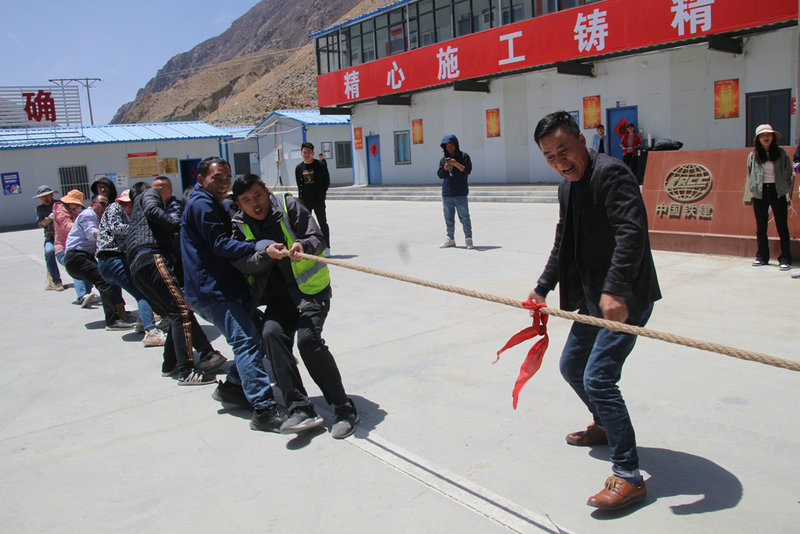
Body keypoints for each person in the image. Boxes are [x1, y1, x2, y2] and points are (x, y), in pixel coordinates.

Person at [529, 111, 661, 511]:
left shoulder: (612, 174)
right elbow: (562, 242)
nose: (560, 161)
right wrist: (541, 287)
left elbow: (631, 233)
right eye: (550, 156)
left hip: (625, 299)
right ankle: (604, 424)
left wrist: (617, 289)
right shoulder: (567, 188)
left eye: (564, 150)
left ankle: (629, 476)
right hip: (593, 298)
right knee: (572, 367)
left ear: (582, 141)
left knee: (599, 378)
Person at [229, 173, 358, 439]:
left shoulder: (289, 205)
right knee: (271, 335)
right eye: (246, 200)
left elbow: (317, 237)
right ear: (239, 204)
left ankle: (344, 407)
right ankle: (300, 408)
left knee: (308, 342)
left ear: (266, 190)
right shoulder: (239, 225)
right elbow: (241, 262)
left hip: (311, 292)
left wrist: (302, 244)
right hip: (279, 299)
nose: (255, 204)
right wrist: (265, 255)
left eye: (258, 195)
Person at [181, 159, 287, 433]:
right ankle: (264, 410)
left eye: (227, 177)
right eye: (217, 177)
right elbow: (219, 244)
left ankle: (233, 388)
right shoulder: (202, 204)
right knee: (247, 341)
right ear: (201, 179)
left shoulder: (213, 203)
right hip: (211, 291)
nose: (223, 182)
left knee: (259, 332)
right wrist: (257, 246)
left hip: (222, 288)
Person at [127, 180, 226, 384]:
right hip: (152, 257)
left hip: (138, 267)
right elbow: (154, 211)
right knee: (181, 311)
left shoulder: (135, 218)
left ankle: (170, 364)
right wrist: (181, 227)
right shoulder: (149, 194)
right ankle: (186, 370)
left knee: (175, 312)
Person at [96, 188, 166, 346]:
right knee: (142, 293)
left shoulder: (125, 215)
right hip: (112, 259)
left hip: (112, 261)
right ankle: (151, 332)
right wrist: (139, 228)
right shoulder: (115, 208)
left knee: (140, 289)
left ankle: (142, 321)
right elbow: (116, 228)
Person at [64, 194, 135, 331]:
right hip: (77, 257)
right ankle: (112, 321)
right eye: (102, 204)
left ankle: (118, 312)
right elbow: (92, 233)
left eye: (107, 204)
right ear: (93, 204)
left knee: (109, 280)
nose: (105, 207)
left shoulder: (98, 217)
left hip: (83, 257)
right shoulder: (88, 215)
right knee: (104, 283)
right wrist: (109, 235)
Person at [744, 124, 794, 271]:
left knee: (782, 226)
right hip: (760, 192)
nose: (766, 137)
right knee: (761, 226)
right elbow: (750, 174)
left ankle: (785, 258)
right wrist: (750, 194)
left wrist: (786, 190)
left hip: (777, 191)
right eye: (762, 135)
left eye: (768, 135)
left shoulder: (781, 153)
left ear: (773, 137)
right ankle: (762, 257)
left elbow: (789, 172)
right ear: (758, 139)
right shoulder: (753, 156)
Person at [53, 189, 94, 305]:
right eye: (75, 204)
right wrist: (84, 228)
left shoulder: (74, 212)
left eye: (78, 205)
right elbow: (66, 225)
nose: (77, 207)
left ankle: (86, 294)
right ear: (68, 202)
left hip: (77, 249)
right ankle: (82, 295)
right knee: (76, 267)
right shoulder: (61, 211)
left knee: (87, 268)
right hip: (63, 250)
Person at [437, 134, 474, 249]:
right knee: (448, 218)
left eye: (451, 146)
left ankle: (468, 239)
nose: (449, 148)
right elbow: (440, 175)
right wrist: (445, 168)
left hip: (460, 192)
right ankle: (450, 239)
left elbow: (467, 170)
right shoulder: (443, 160)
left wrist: (456, 164)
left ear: (456, 145)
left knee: (465, 218)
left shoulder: (464, 156)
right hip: (447, 193)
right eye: (447, 147)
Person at [295, 141, 331, 247]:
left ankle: (326, 246)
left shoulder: (320, 165)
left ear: (313, 153)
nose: (306, 154)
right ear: (301, 153)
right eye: (304, 152)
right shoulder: (299, 168)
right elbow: (299, 186)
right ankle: (308, 246)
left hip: (318, 200)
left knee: (322, 222)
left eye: (309, 152)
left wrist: (322, 195)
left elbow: (326, 181)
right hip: (305, 201)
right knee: (306, 225)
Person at [33, 185, 64, 291]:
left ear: (51, 195)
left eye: (47, 195)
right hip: (51, 237)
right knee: (49, 251)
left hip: (64, 237)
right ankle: (57, 281)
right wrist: (49, 218)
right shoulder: (40, 209)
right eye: (43, 196)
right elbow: (41, 223)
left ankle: (80, 278)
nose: (46, 198)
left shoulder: (60, 204)